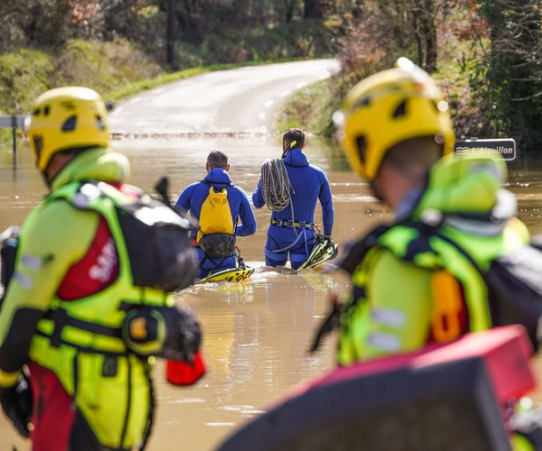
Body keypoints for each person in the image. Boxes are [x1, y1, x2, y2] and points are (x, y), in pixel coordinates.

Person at [327, 58, 542, 450]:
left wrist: (351, 320)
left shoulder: (403, 257)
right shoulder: (503, 225)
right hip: (508, 430)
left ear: (365, 151)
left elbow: (374, 392)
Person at [0, 87, 203, 450]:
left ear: (46, 145)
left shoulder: (63, 212)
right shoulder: (136, 206)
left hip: (69, 411)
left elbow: (16, 320)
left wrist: (6, 385)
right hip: (129, 414)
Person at [252, 128, 334, 269]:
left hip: (277, 234)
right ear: (304, 145)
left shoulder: (272, 169)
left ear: (285, 143)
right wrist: (327, 236)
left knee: (273, 279)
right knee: (302, 281)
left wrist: (263, 180)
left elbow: (257, 202)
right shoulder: (318, 174)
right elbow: (328, 208)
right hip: (303, 236)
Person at [175, 150, 257, 279]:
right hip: (226, 256)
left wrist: (193, 226)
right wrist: (230, 232)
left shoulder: (192, 189)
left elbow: (174, 221)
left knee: (194, 294)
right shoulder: (239, 193)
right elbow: (250, 228)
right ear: (227, 168)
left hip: (197, 255)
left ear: (207, 166)